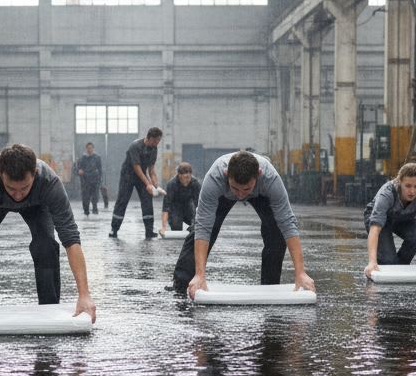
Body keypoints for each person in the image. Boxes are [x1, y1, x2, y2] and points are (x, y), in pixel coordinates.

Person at [0, 143, 96, 322]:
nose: (17, 196)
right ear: (1, 174)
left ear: (35, 173)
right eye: (11, 188)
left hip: (36, 205)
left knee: (46, 246)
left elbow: (71, 239)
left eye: (24, 188)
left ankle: (49, 306)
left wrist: (84, 295)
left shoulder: (49, 182)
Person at [172, 150, 315, 297]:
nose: (240, 195)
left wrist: (300, 273)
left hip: (260, 194)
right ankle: (184, 283)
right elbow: (204, 225)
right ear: (226, 173)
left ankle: (270, 286)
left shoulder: (270, 178)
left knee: (276, 232)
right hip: (223, 194)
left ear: (258, 174)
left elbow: (287, 222)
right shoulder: (215, 177)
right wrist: (200, 274)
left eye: (246, 189)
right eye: (236, 188)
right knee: (200, 229)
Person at [109, 126, 164, 239]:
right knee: (122, 201)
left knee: (147, 199)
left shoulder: (154, 148)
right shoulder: (135, 146)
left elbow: (151, 170)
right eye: (155, 140)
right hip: (128, 175)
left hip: (141, 175)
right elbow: (136, 167)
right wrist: (148, 184)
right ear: (148, 138)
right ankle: (114, 229)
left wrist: (156, 186)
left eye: (158, 140)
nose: (157, 143)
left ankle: (149, 231)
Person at [160, 161, 201, 237]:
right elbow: (166, 207)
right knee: (176, 226)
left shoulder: (195, 183)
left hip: (188, 206)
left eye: (188, 177)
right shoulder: (171, 185)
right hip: (175, 207)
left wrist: (199, 223)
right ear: (179, 175)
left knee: (195, 226)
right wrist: (163, 227)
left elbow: (199, 204)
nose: (187, 180)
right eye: (185, 178)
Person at [75, 141, 103, 217]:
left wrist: (100, 180)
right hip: (85, 181)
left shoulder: (97, 158)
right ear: (86, 149)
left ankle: (95, 211)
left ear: (93, 149)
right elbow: (77, 169)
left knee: (95, 197)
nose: (89, 149)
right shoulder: (82, 158)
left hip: (94, 180)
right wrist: (79, 171)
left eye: (91, 148)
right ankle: (86, 212)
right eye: (88, 148)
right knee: (85, 198)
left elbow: (100, 170)